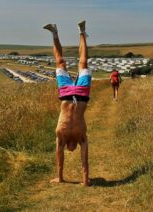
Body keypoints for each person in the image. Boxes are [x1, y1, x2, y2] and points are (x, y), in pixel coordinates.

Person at [43, 20, 91, 186]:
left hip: (65, 93)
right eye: (73, 150)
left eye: (67, 150)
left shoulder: (61, 138)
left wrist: (60, 177)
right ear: (76, 146)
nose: (71, 150)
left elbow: (58, 154)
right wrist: (85, 180)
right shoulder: (82, 137)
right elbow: (85, 154)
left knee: (60, 62)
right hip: (82, 94)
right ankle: (82, 31)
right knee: (83, 63)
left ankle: (54, 33)